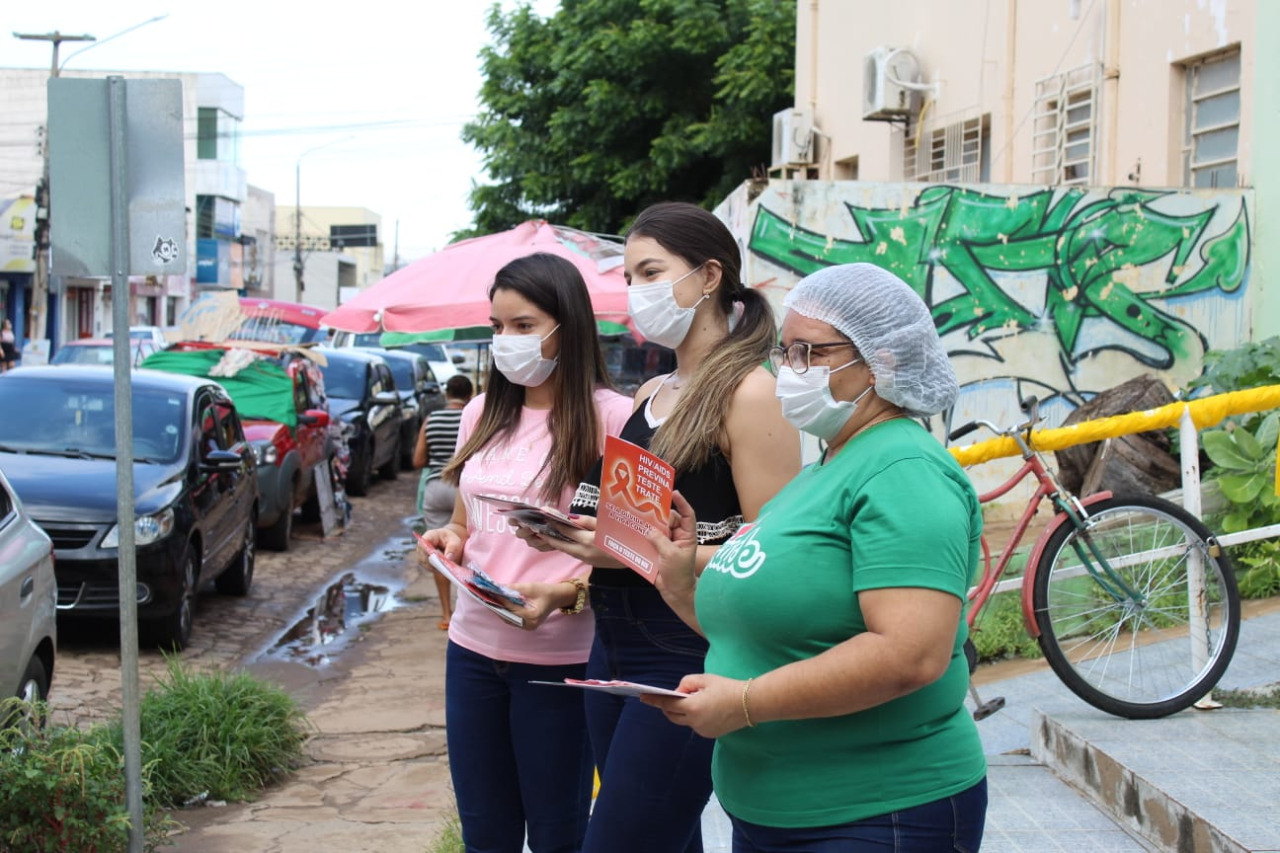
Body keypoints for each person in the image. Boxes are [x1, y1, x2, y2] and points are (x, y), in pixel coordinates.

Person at [643, 263, 988, 853]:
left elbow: (910, 654)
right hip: (774, 812)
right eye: (786, 351)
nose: (790, 370)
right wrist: (678, 583)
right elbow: (775, 637)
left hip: (877, 813)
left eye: (811, 352)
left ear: (886, 361)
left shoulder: (903, 470)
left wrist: (745, 704)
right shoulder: (821, 471)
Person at [512, 201, 801, 853]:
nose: (635, 292)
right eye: (629, 276)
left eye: (650, 272)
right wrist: (578, 552)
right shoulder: (652, 392)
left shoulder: (752, 393)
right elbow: (629, 526)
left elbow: (774, 550)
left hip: (684, 649)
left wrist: (645, 553)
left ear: (707, 277)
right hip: (610, 644)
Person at [418, 252, 633, 853]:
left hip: (562, 660)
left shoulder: (614, 419)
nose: (504, 341)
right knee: (485, 830)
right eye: (496, 326)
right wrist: (449, 542)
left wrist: (565, 595)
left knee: (560, 829)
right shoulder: (481, 413)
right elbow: (467, 519)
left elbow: (634, 554)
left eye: (523, 325)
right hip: (471, 649)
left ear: (568, 326)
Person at [413, 373, 475, 630]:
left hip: (437, 487)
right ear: (469, 395)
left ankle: (447, 614)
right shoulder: (473, 417)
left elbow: (417, 461)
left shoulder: (432, 419)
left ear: (446, 394)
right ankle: (467, 606)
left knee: (438, 550)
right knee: (468, 546)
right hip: (465, 486)